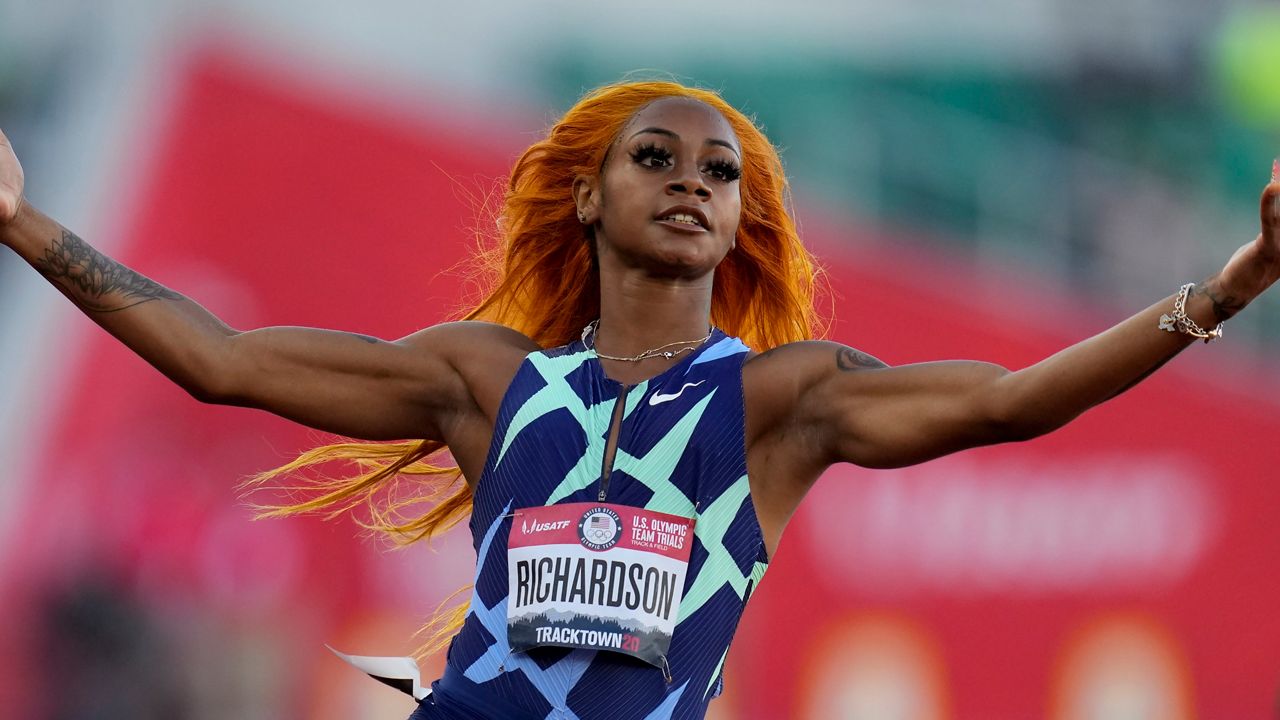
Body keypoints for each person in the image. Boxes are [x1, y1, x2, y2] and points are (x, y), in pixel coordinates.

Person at [1, 80, 1277, 720]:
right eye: (652, 159)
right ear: (586, 197)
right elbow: (219, 360)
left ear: (734, 219)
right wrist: (21, 222)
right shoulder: (486, 382)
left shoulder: (785, 403)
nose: (687, 182)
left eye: (716, 172)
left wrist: (1232, 283)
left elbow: (1010, 403)